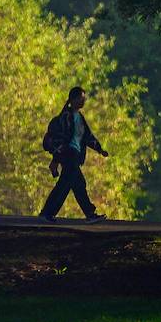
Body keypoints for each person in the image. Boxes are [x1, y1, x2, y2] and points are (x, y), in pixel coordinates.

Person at [38, 86, 108, 221]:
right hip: (68, 155)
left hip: (75, 156)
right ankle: (48, 214)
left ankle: (88, 214)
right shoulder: (66, 116)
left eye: (84, 99)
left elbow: (87, 136)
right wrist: (57, 159)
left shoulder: (79, 117)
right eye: (81, 99)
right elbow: (62, 139)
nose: (83, 102)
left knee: (78, 185)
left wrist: (99, 149)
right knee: (65, 186)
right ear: (73, 99)